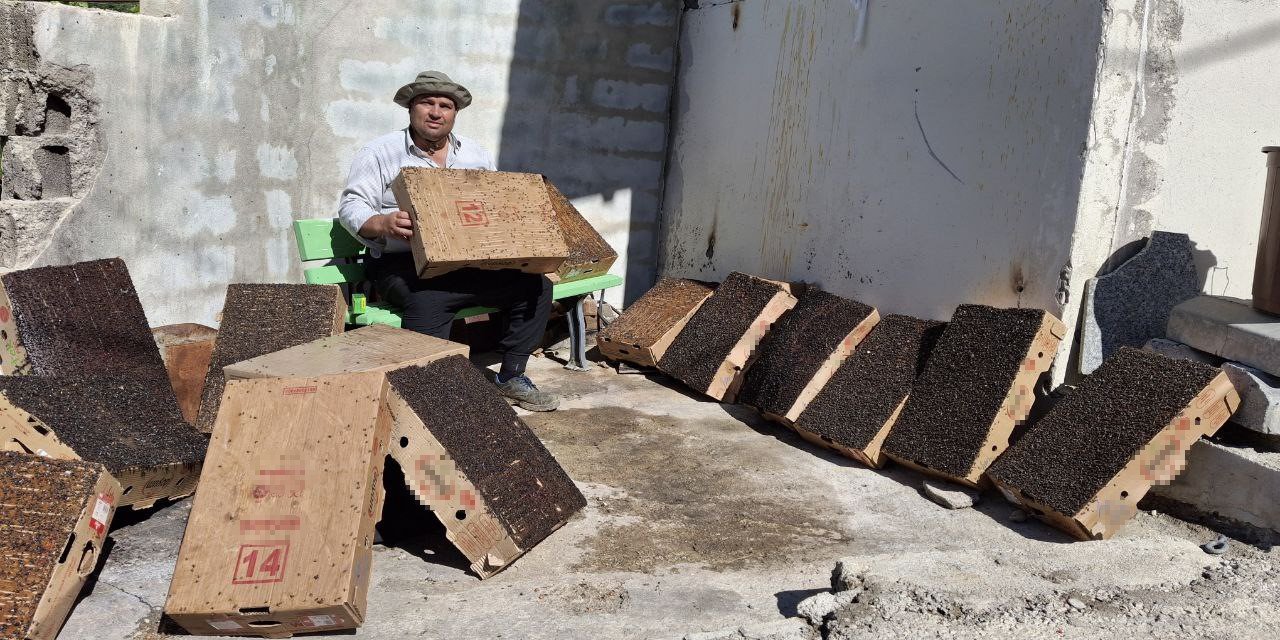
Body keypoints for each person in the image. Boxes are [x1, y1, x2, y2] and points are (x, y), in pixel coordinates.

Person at [338, 70, 558, 411]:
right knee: (430, 300)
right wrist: (382, 222)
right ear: (411, 109)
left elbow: (491, 203)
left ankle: (511, 376)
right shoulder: (379, 152)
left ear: (455, 113)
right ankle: (425, 394)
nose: (436, 112)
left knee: (536, 286)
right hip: (401, 263)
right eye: (427, 103)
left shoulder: (475, 154)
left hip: (465, 262)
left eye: (446, 105)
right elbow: (352, 205)